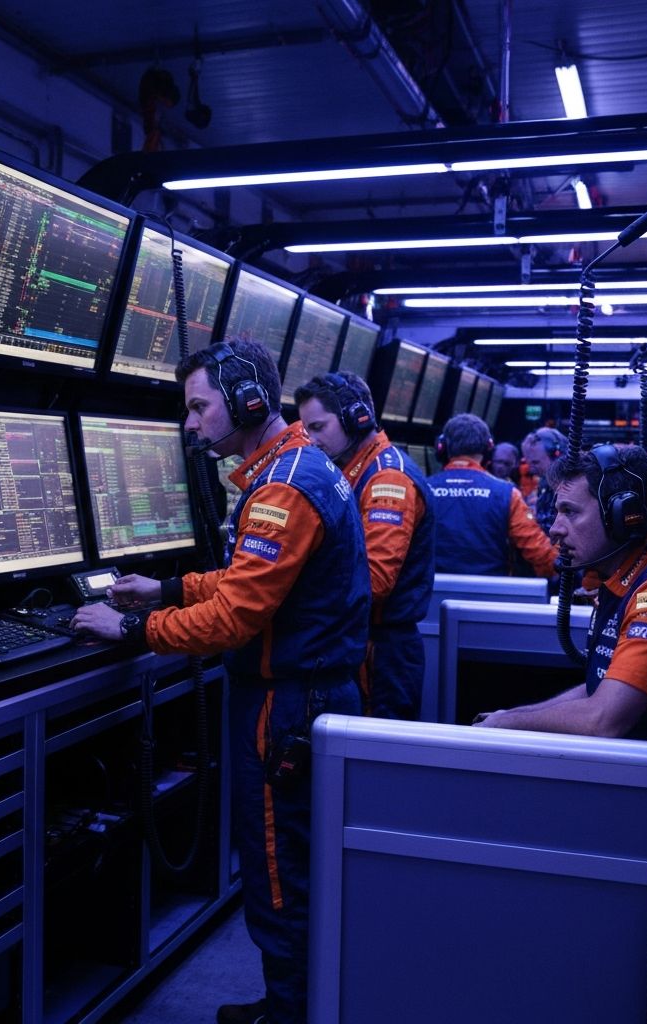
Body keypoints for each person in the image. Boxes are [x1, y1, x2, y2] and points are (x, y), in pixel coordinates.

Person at [72, 339, 370, 1024]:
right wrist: (167, 588)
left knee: (277, 870)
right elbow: (253, 584)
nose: (191, 424)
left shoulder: (283, 488)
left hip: (285, 705)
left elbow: (236, 617)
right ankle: (290, 1003)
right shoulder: (302, 467)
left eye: (199, 406)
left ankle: (288, 1014)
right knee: (290, 863)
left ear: (248, 401)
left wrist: (128, 630)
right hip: (307, 693)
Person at [474, 444, 647, 740]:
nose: (555, 529)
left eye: (569, 512)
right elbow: (602, 684)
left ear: (624, 516)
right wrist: (511, 716)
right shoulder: (619, 574)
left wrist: (503, 726)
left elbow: (603, 718)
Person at [295, 371, 435, 720]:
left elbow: (375, 582)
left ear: (356, 419)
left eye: (317, 427)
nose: (309, 440)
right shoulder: (362, 470)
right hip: (370, 645)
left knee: (378, 767)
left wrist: (294, 588)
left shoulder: (387, 479)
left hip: (382, 653)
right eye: (305, 430)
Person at [428, 413, 557, 578]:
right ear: (489, 448)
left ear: (442, 447)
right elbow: (543, 557)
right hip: (490, 595)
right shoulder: (507, 494)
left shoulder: (423, 489)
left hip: (430, 595)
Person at [522, 427, 569, 535]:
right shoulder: (544, 481)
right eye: (529, 462)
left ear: (556, 455)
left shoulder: (568, 486)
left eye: (535, 462)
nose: (530, 468)